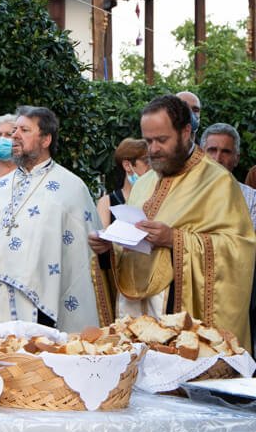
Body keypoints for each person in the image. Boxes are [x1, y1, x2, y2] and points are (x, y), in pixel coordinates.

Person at [89, 95, 256, 348]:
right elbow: (131, 248)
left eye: (162, 140)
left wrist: (174, 239)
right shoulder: (144, 182)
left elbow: (238, 249)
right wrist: (108, 249)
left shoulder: (218, 181)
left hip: (180, 322)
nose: (153, 149)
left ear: (186, 131)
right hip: (137, 320)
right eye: (148, 141)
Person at [0, 106, 102, 330]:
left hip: (43, 304)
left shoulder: (70, 188)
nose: (15, 136)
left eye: (24, 130)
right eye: (14, 130)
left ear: (46, 139)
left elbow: (83, 255)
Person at [199, 123, 256, 228]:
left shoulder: (252, 199)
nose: (217, 159)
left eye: (226, 152)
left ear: (236, 159)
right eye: (212, 150)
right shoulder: (182, 192)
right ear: (200, 156)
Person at [96, 138, 150, 228]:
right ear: (127, 165)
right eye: (147, 161)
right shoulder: (107, 202)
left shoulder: (156, 198)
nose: (151, 168)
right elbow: (101, 239)